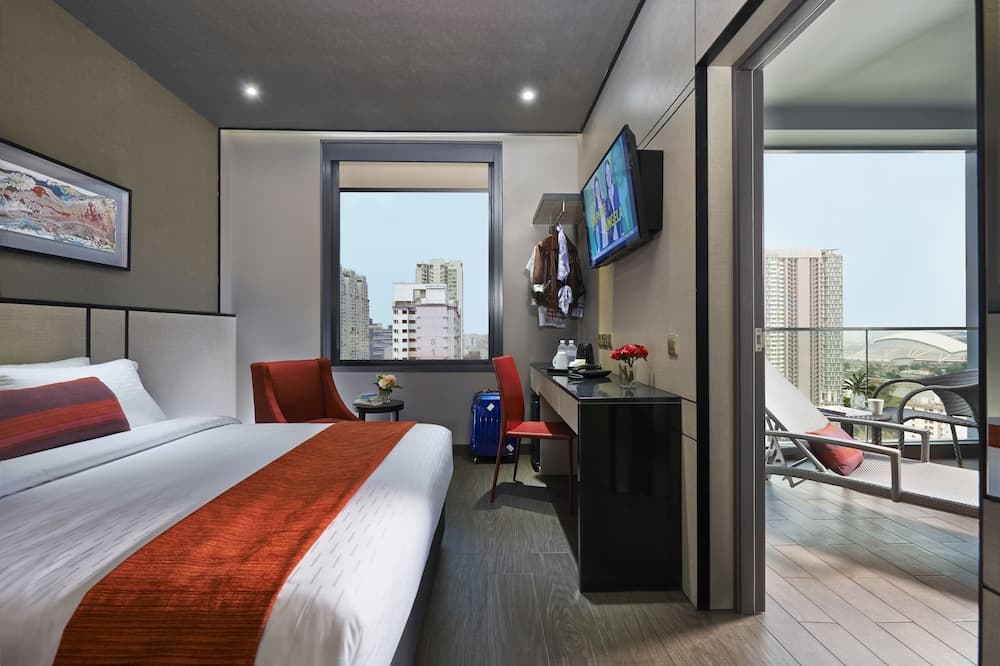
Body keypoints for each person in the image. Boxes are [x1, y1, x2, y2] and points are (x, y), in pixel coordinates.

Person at [603, 159, 622, 242]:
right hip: (613, 240)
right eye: (606, 175)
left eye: (609, 174)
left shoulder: (618, 189)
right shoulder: (606, 199)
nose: (608, 178)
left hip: (622, 234)